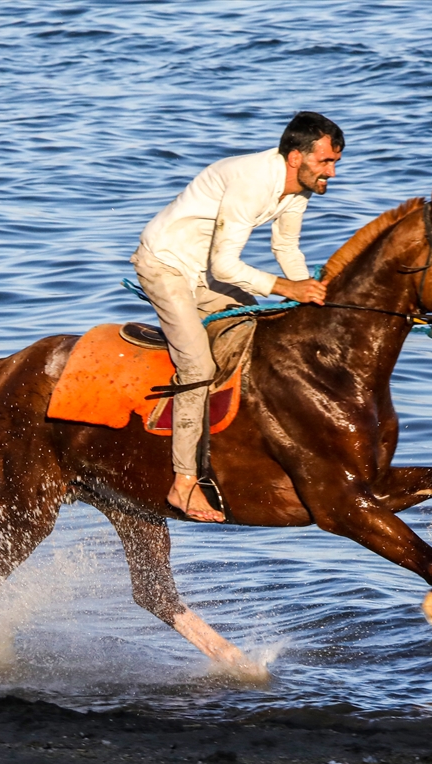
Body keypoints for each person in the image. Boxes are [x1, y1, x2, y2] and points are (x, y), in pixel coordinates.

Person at [132, 111, 343, 522]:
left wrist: (310, 299)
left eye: (335, 163)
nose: (332, 174)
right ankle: (183, 482)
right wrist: (287, 288)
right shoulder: (252, 181)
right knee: (196, 364)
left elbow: (287, 250)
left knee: (259, 326)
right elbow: (227, 267)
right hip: (166, 265)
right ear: (296, 158)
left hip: (203, 273)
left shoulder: (299, 190)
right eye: (326, 162)